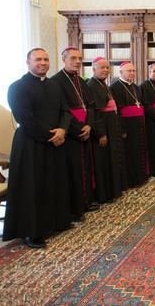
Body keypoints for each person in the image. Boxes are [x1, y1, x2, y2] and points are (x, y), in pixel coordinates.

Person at [4, 48, 72, 248]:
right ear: (28, 62)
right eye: (38, 59)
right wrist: (52, 135)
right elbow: (25, 118)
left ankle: (57, 222)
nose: (42, 63)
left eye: (46, 59)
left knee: (55, 183)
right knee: (33, 187)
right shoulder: (17, 87)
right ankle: (32, 232)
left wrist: (63, 130)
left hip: (56, 141)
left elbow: (65, 112)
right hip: (31, 144)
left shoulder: (55, 86)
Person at [51, 47, 97, 220]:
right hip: (71, 133)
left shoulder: (81, 81)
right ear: (64, 59)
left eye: (79, 58)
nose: (77, 61)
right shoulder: (56, 81)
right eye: (73, 58)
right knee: (73, 171)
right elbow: (61, 111)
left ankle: (85, 202)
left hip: (85, 128)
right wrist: (78, 129)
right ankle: (74, 208)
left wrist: (89, 126)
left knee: (85, 167)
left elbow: (90, 106)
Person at [87, 57, 125, 201]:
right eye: (101, 67)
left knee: (112, 160)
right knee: (103, 162)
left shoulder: (104, 85)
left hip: (111, 127)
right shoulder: (91, 85)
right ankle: (104, 194)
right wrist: (101, 134)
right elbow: (95, 113)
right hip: (103, 131)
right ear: (94, 69)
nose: (105, 70)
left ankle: (113, 190)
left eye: (107, 68)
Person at [110, 62, 148, 187]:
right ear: (120, 72)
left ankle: (141, 177)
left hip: (139, 124)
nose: (132, 73)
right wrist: (122, 129)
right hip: (127, 126)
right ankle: (131, 180)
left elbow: (140, 105)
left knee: (140, 150)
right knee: (130, 153)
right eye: (129, 71)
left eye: (133, 70)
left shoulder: (136, 87)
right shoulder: (115, 88)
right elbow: (117, 111)